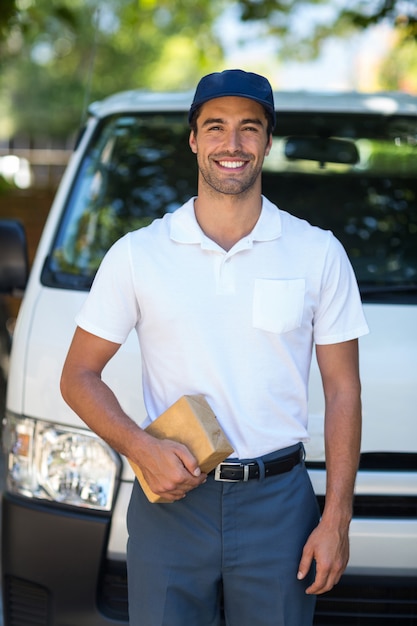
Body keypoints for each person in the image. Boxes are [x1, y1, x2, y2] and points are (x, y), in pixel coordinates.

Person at [61, 69, 369, 626]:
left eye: (249, 128)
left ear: (268, 141)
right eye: (216, 127)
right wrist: (139, 447)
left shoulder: (317, 252)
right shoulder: (137, 254)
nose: (233, 144)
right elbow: (78, 374)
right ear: (194, 139)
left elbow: (343, 387)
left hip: (280, 507)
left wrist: (337, 517)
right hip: (171, 501)